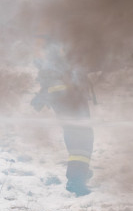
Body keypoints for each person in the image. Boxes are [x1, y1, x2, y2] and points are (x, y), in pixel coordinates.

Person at [31, 36, 94, 196]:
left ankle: (79, 175)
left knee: (78, 142)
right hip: (72, 107)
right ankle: (76, 180)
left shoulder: (53, 62)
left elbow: (52, 86)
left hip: (69, 107)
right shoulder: (59, 61)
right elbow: (60, 86)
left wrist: (41, 98)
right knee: (81, 143)